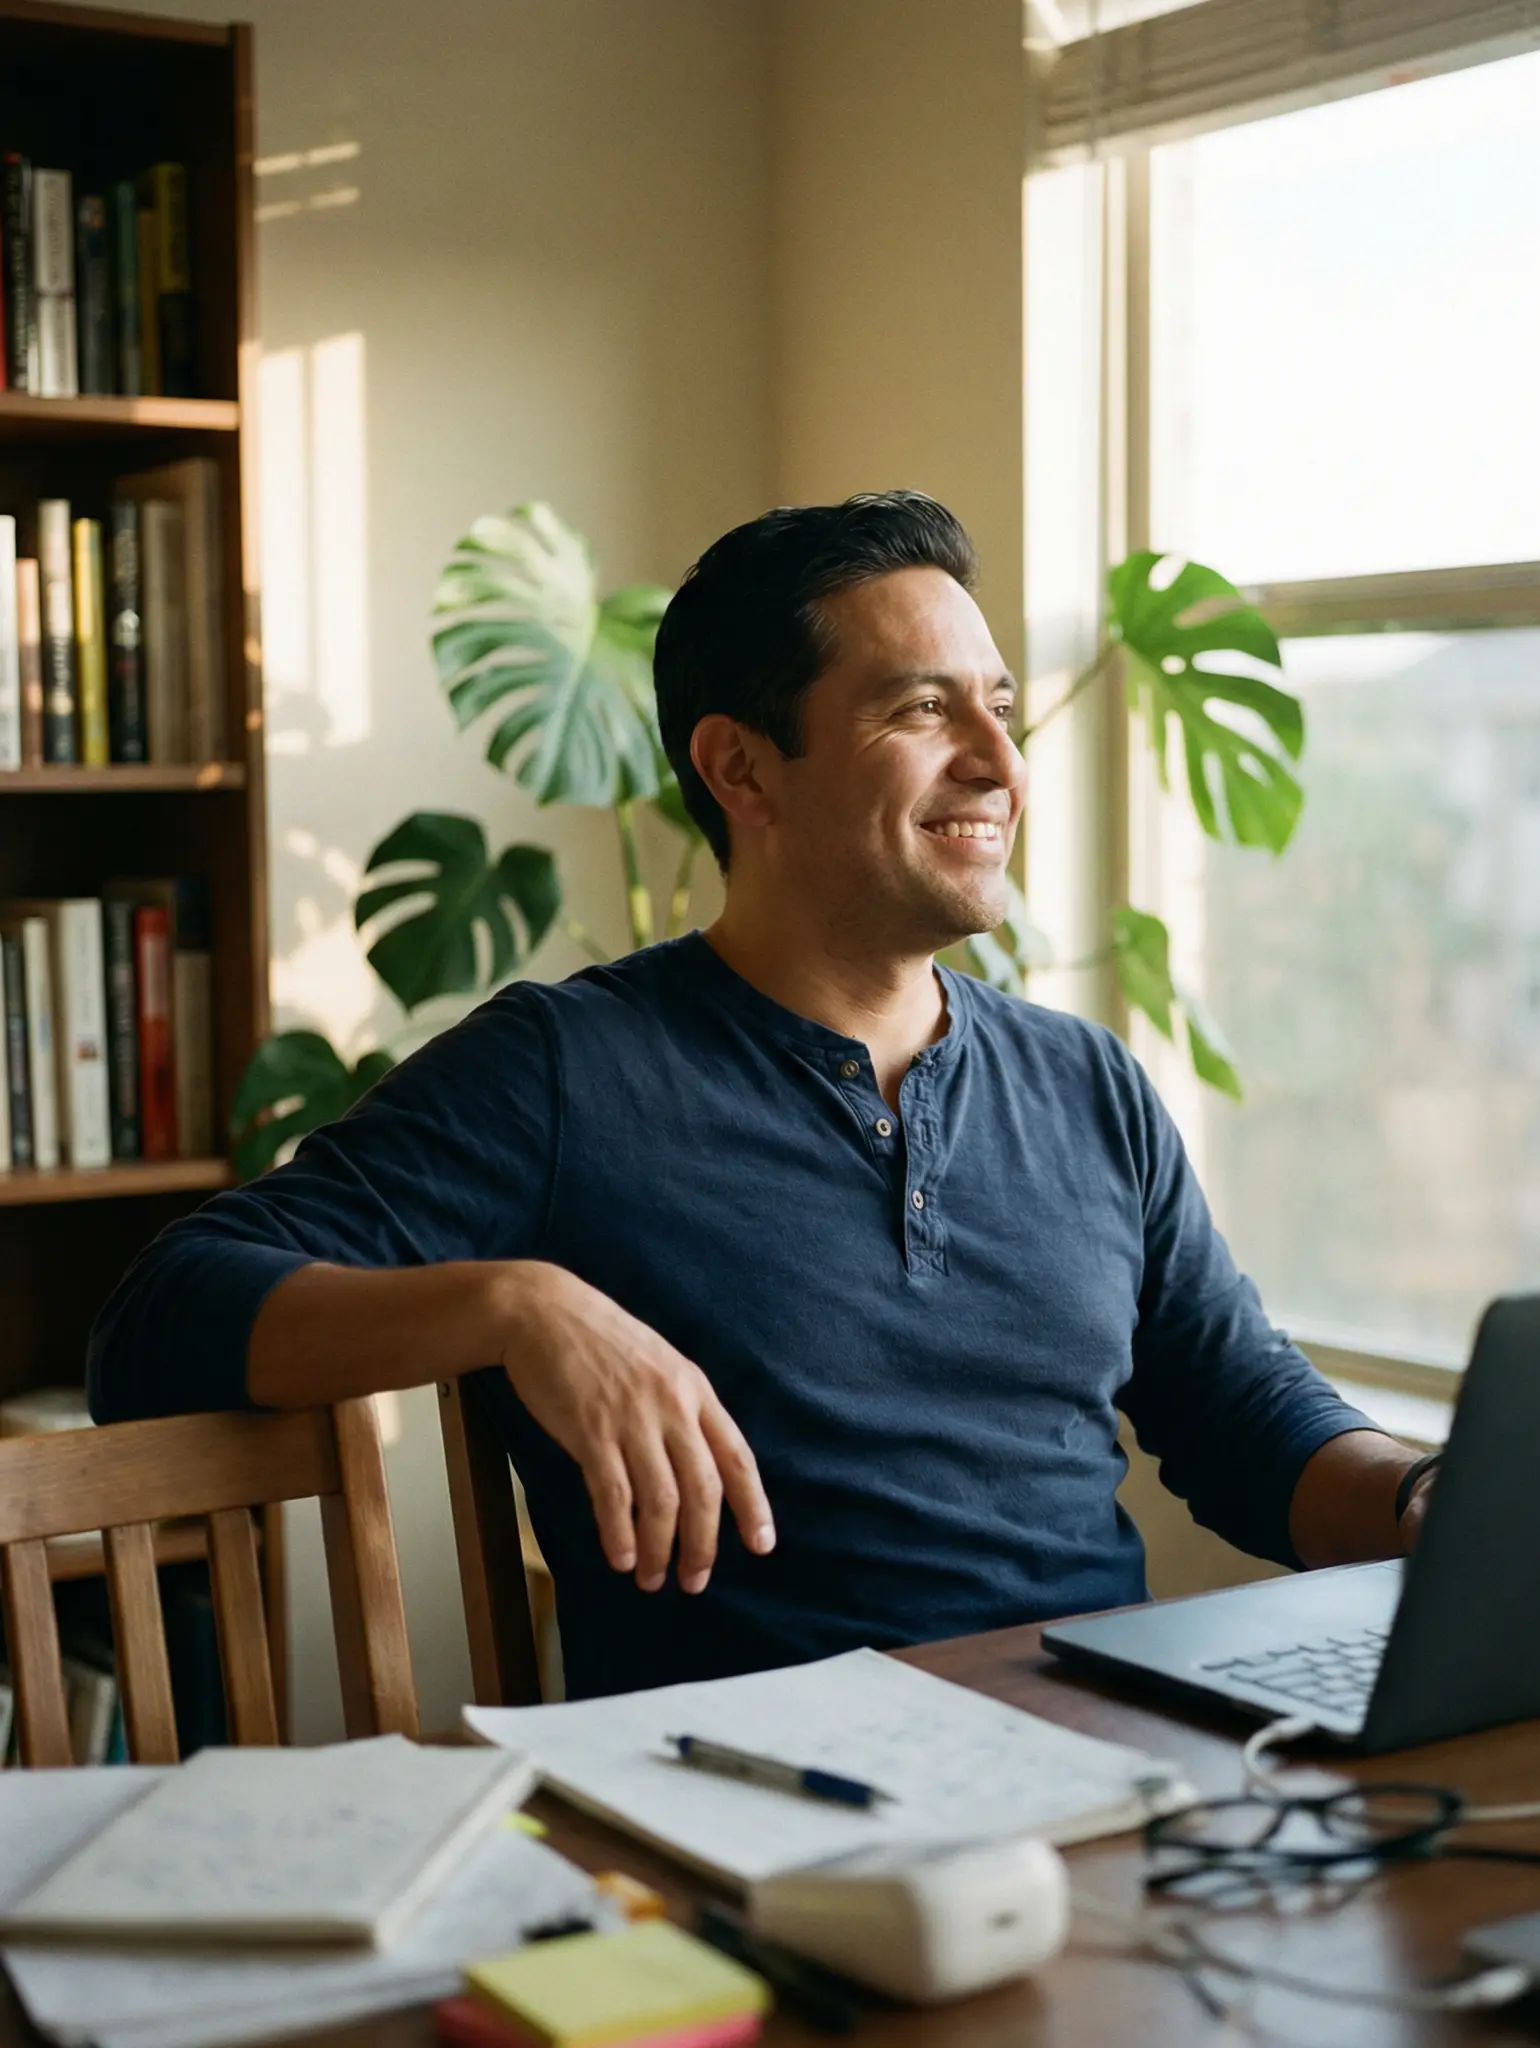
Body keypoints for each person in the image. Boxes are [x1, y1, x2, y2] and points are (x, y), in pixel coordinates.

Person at [88, 492, 1434, 1699]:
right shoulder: (564, 1070)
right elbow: (158, 1324)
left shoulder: (1089, 1086)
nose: (998, 761)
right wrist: (514, 1304)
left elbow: (1246, 1422)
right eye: (922, 711)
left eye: (1000, 707)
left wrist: (1439, 1500)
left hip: (1109, 1780)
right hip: (758, 1818)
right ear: (741, 768)